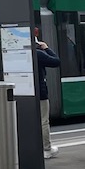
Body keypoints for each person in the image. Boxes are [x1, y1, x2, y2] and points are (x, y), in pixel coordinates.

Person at [34, 28, 62, 159]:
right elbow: (56, 61)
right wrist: (46, 48)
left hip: (23, 93)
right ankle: (46, 148)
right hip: (40, 92)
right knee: (43, 121)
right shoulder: (38, 53)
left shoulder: (19, 52)